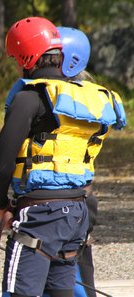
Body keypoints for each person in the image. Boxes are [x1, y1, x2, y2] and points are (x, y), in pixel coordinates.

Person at [0, 17, 121, 297]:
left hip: (39, 215)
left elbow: (1, 159)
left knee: (19, 293)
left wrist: (1, 204)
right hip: (77, 213)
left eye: (16, 58)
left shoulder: (30, 97)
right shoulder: (86, 97)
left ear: (27, 56)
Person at [56, 26, 126, 297]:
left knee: (74, 277)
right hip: (83, 199)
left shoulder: (53, 98)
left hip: (67, 201)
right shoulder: (94, 97)